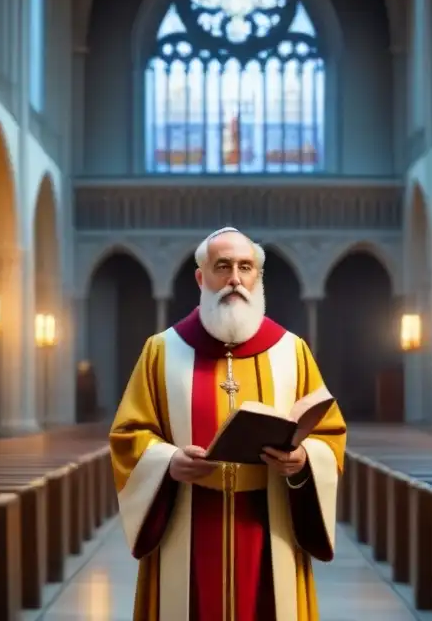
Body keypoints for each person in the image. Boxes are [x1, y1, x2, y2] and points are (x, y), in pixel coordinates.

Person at [109, 226, 347, 620]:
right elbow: (128, 434)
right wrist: (167, 461)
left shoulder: (293, 351)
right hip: (187, 521)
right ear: (202, 277)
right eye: (223, 266)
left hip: (270, 526)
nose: (235, 278)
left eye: (245, 267)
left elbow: (329, 433)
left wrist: (303, 458)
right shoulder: (162, 351)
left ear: (258, 278)